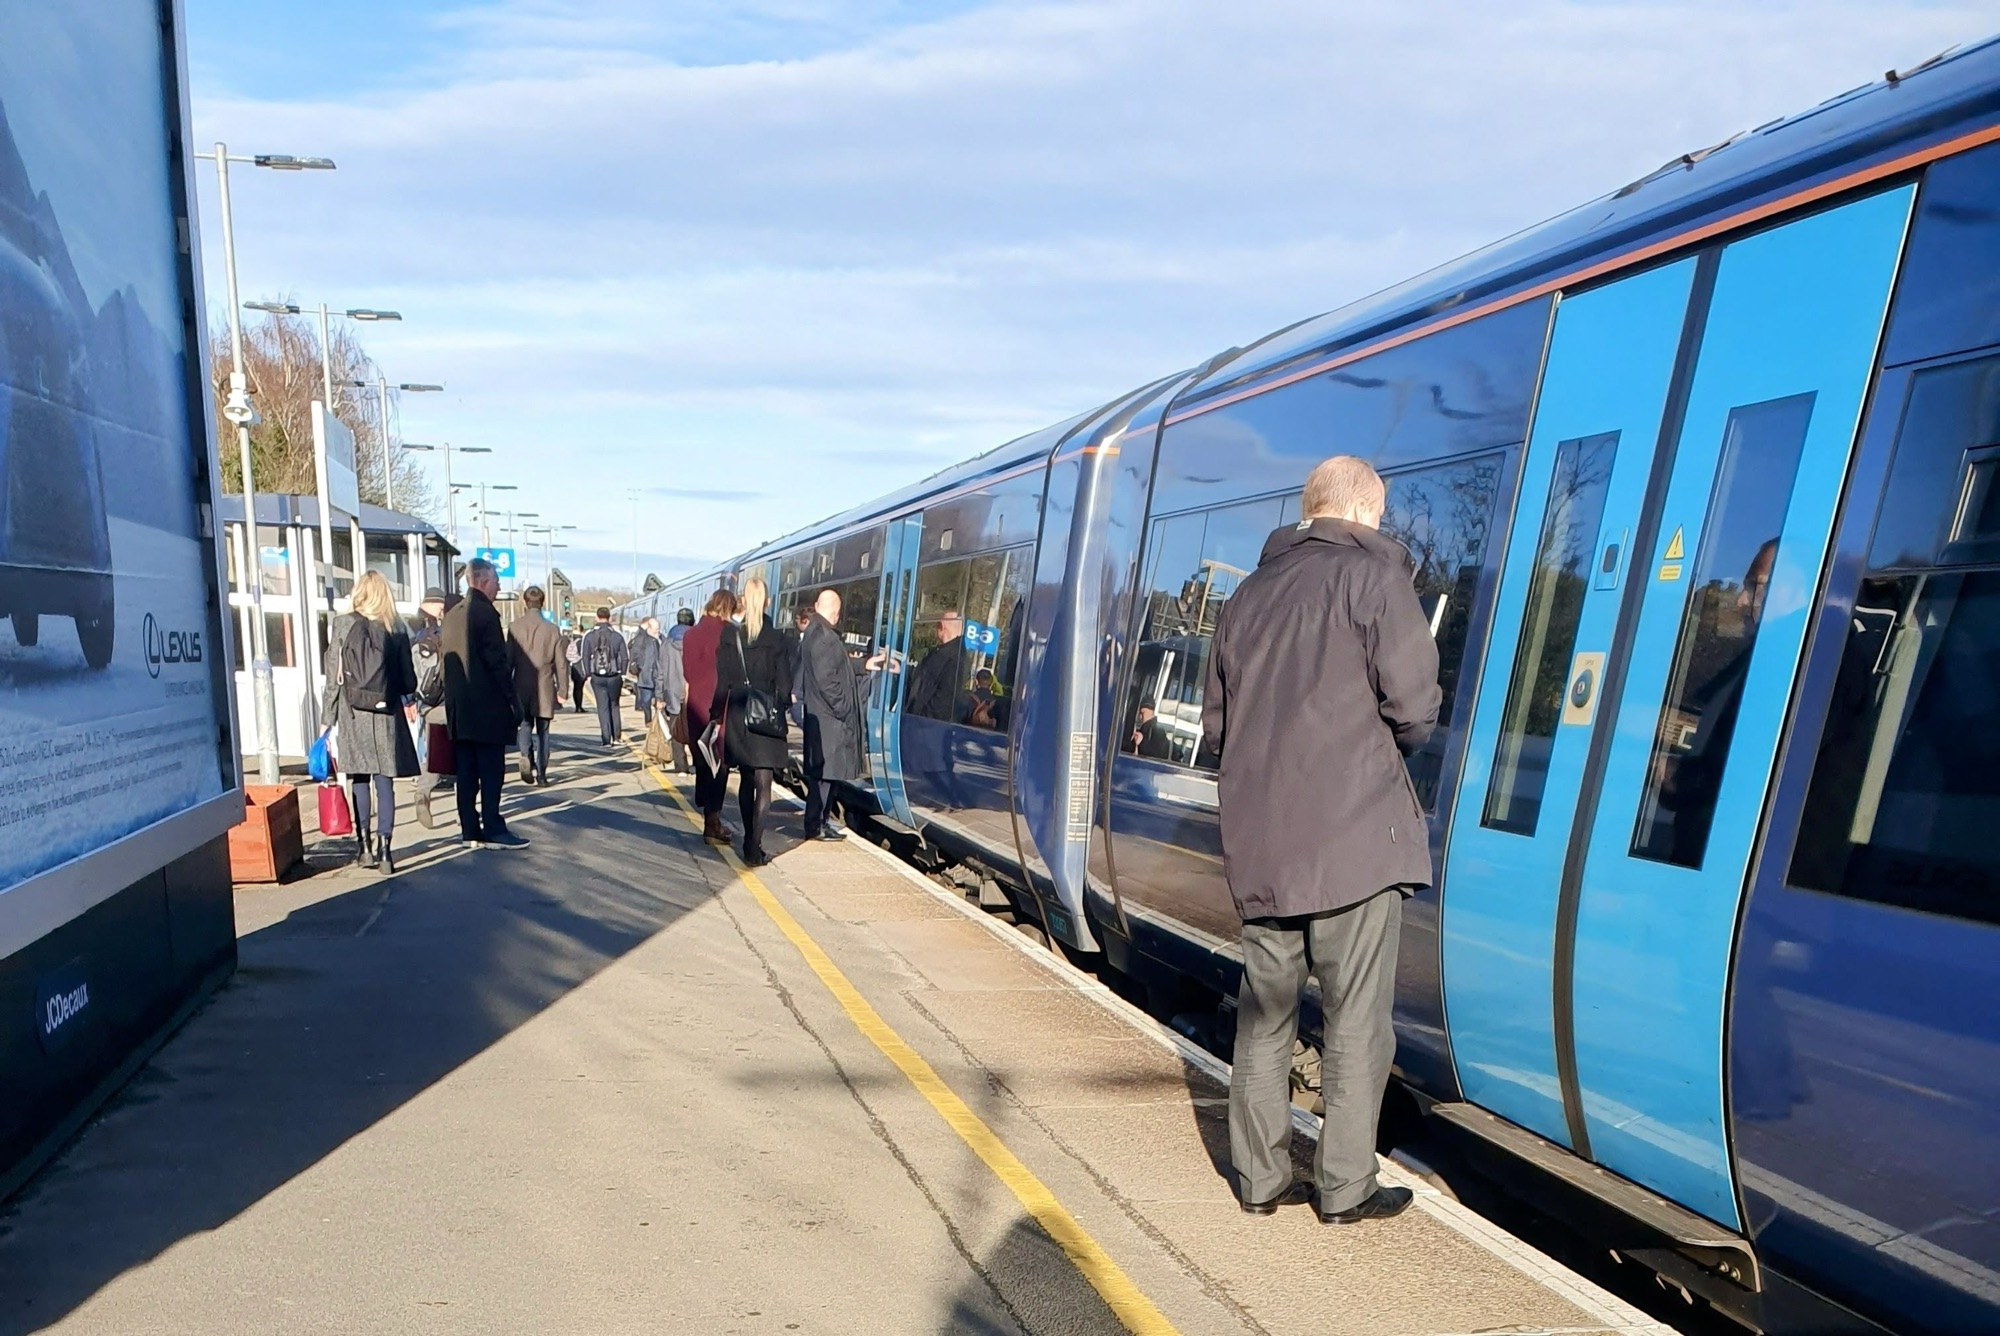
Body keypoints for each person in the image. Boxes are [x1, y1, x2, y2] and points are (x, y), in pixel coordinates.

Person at [1200, 454, 1439, 1224]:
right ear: (1365, 513)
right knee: (1355, 1023)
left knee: (1264, 1020)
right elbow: (1415, 710)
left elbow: (1216, 728)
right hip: (1353, 848)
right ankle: (1344, 1187)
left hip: (1264, 849)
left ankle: (1260, 1181)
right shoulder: (1374, 580)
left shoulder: (1244, 598)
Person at [321, 570, 420, 873]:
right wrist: (407, 697)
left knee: (359, 778)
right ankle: (386, 850)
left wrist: (327, 718)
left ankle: (363, 847)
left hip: (353, 714)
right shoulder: (396, 627)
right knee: (384, 780)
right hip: (386, 713)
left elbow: (333, 678)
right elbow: (407, 680)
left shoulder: (342, 624)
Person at [442, 557, 529, 849]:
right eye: (496, 582)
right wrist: (512, 702)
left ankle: (470, 829)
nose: (498, 587)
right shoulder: (486, 615)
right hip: (487, 710)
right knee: (491, 772)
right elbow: (497, 663)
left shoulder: (452, 615)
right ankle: (493, 826)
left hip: (460, 711)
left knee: (466, 773)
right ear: (483, 581)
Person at [716, 576, 792, 866]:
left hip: (738, 713)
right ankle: (753, 845)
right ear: (768, 601)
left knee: (747, 779)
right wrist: (779, 705)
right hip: (765, 715)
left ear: (743, 602)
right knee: (764, 782)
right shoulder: (777, 639)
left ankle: (749, 842)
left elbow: (722, 683)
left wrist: (715, 714)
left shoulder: (728, 637)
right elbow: (785, 686)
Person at [797, 587, 873, 840]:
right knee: (824, 779)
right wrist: (846, 708)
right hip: (830, 721)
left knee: (827, 777)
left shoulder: (818, 633)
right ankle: (816, 825)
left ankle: (820, 823)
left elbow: (836, 666)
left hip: (827, 720)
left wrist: (863, 665)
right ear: (836, 613)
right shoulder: (823, 637)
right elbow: (827, 680)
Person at [680, 588, 737, 844]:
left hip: (695, 705)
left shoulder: (690, 634)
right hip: (719, 706)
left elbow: (688, 673)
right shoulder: (729, 632)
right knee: (720, 765)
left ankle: (704, 804)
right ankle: (712, 821)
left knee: (702, 759)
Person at [906, 608, 968, 809]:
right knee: (933, 765)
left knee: (935, 766)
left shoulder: (953, 655)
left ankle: (954, 800)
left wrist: (923, 717)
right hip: (929, 722)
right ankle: (952, 799)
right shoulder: (947, 651)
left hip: (932, 724)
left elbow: (946, 695)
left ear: (942, 627)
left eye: (938, 626)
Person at [410, 586, 458, 829]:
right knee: (463, 756)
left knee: (435, 754)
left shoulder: (412, 630)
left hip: (427, 703)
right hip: (449, 703)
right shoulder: (447, 633)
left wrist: (409, 698)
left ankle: (423, 792)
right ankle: (465, 813)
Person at [508, 585, 564, 786]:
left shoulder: (514, 627)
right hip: (545, 687)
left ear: (525, 602)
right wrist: (563, 690)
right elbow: (561, 663)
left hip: (520, 686)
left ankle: (525, 756)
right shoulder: (553, 630)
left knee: (524, 726)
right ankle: (542, 774)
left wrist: (506, 687)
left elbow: (509, 660)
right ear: (543, 602)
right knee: (544, 732)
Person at [577, 608, 630, 745]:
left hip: (596, 677)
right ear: (610, 618)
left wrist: (588, 674)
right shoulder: (617, 636)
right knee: (614, 705)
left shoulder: (589, 636)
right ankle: (617, 737)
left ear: (596, 617)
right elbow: (625, 657)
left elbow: (585, 656)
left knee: (602, 707)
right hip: (614, 676)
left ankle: (606, 739)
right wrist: (623, 674)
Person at [659, 610, 690, 772]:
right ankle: (699, 763)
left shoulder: (666, 643)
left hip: (672, 692)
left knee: (675, 727)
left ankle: (681, 766)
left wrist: (658, 695)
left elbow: (660, 671)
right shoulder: (696, 640)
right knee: (694, 727)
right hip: (692, 692)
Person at [631, 617, 666, 725]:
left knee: (660, 700)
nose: (657, 631)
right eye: (655, 629)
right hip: (646, 675)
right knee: (646, 700)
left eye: (658, 629)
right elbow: (635, 654)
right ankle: (648, 720)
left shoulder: (661, 639)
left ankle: (658, 721)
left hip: (659, 675)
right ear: (649, 628)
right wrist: (641, 666)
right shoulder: (642, 639)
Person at [566, 630, 588, 714]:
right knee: (579, 688)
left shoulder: (571, 642)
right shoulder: (581, 642)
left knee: (576, 687)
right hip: (579, 666)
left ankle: (577, 706)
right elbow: (584, 655)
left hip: (573, 666)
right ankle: (579, 707)